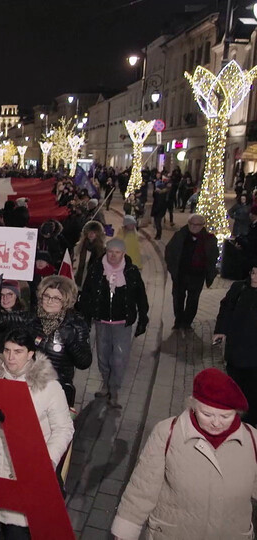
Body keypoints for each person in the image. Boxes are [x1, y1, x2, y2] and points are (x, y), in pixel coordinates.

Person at [111, 368, 256, 540]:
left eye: (225, 416)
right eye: (207, 414)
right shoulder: (167, 433)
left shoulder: (252, 439)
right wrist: (126, 531)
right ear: (193, 406)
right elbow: (142, 487)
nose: (216, 423)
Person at [0, 328, 74, 539]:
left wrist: (48, 460)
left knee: (19, 527)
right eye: (7, 350)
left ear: (31, 353)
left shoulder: (49, 387)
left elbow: (64, 428)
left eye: (18, 351)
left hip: (29, 471)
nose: (11, 357)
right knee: (7, 525)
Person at [0, 273, 92, 406]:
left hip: (57, 388)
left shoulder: (76, 324)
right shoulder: (31, 318)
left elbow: (84, 363)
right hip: (27, 385)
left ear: (65, 301)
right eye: (47, 296)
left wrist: (71, 341)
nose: (49, 301)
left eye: (56, 298)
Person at [78, 238, 149, 408]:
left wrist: (143, 318)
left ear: (123, 253)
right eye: (110, 252)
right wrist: (85, 317)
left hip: (122, 323)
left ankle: (114, 389)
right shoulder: (96, 269)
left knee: (119, 358)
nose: (113, 256)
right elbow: (87, 294)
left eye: (117, 252)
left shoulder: (131, 271)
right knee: (103, 356)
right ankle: (105, 382)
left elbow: (141, 296)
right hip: (101, 321)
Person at [215, 263, 257, 425]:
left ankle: (250, 426)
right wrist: (220, 330)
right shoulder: (239, 288)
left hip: (254, 358)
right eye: (253, 272)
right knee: (235, 388)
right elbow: (226, 308)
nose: (254, 277)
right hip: (236, 352)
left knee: (252, 393)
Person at [164, 214, 218, 330]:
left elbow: (213, 256)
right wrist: (172, 268)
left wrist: (210, 271)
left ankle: (187, 322)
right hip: (181, 273)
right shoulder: (180, 236)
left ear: (203, 225)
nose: (194, 227)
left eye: (198, 224)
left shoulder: (209, 239)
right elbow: (170, 251)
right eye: (192, 224)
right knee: (178, 297)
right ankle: (178, 320)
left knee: (193, 299)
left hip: (198, 274)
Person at [74, 220, 106, 288]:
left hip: (92, 280)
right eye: (89, 231)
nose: (91, 234)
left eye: (94, 232)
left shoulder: (102, 250)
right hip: (78, 278)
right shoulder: (79, 246)